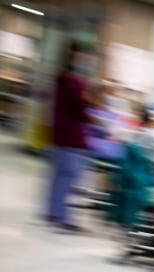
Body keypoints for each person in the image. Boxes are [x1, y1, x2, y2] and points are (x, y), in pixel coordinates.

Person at [45, 41, 94, 233]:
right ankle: (63, 219)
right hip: (71, 138)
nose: (86, 61)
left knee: (58, 178)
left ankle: (53, 214)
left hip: (59, 135)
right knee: (68, 179)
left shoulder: (61, 79)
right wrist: (96, 119)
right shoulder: (74, 82)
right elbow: (81, 107)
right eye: (83, 57)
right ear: (74, 57)